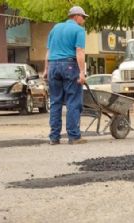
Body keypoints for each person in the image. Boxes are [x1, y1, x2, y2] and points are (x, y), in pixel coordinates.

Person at [43, 6, 88, 145]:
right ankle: (74, 136)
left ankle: (54, 137)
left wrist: (46, 69)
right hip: (69, 65)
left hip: (53, 66)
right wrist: (82, 72)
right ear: (76, 16)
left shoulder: (55, 28)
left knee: (55, 102)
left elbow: (49, 51)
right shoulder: (79, 30)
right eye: (83, 17)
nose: (84, 20)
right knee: (73, 101)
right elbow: (79, 51)